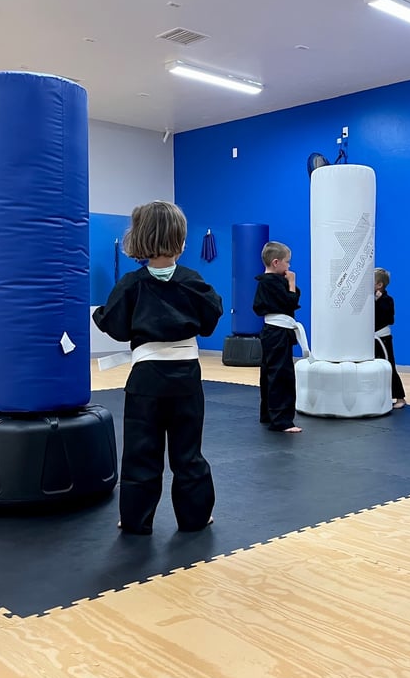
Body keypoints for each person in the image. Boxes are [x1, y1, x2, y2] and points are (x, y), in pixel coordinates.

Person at [93, 200, 223, 535]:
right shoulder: (193, 282)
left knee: (141, 451)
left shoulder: (131, 284)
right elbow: (211, 318)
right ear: (182, 240)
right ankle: (195, 517)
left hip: (146, 380)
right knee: (188, 452)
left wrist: (104, 315)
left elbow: (115, 325)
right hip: (186, 379)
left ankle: (135, 519)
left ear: (138, 238)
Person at [253, 241, 302, 433]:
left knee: (269, 372)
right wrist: (291, 282)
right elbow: (290, 302)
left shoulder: (267, 282)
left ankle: (268, 414)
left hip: (271, 332)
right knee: (281, 375)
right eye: (287, 262)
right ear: (276, 262)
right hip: (278, 333)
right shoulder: (272, 282)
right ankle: (281, 420)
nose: (289, 266)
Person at [374, 267, 406, 409]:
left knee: (389, 367)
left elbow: (389, 319)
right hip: (372, 338)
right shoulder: (369, 299)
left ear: (379, 285)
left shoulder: (387, 300)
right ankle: (379, 395)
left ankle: (400, 397)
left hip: (383, 338)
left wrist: (378, 302)